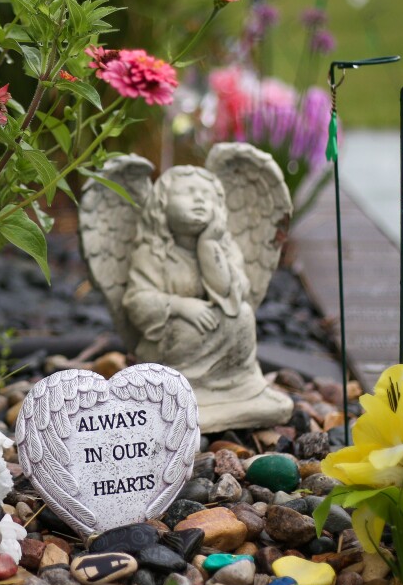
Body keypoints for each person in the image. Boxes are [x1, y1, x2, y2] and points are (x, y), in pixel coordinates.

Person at [122, 166, 293, 431]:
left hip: (219, 340)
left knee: (243, 314)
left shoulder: (225, 248)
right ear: (161, 206)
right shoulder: (152, 253)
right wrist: (179, 306)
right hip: (173, 348)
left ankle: (241, 389)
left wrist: (209, 246)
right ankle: (176, 395)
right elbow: (137, 301)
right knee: (186, 328)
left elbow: (231, 294)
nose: (200, 200)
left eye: (206, 195)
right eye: (188, 194)